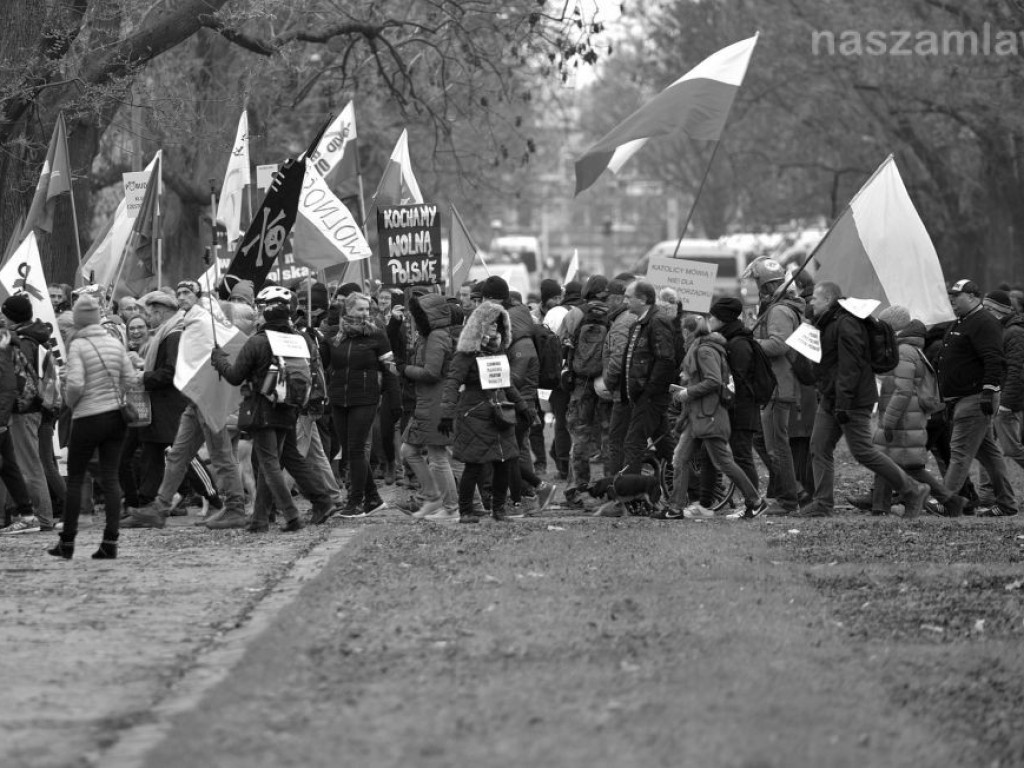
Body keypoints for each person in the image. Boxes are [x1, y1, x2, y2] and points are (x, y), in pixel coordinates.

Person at [799, 282, 930, 518]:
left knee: (863, 451)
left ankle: (913, 490)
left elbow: (851, 366)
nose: (811, 302)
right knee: (819, 446)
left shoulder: (846, 323)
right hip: (832, 397)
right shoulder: (827, 323)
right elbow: (828, 365)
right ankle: (822, 503)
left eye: (815, 299)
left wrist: (844, 403)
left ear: (828, 299)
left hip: (852, 400)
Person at [47, 295, 138, 559]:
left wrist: (71, 402)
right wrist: (115, 395)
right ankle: (110, 542)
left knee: (76, 478)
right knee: (110, 477)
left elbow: (75, 383)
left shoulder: (78, 344)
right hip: (116, 417)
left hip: (88, 416)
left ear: (78, 320)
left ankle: (67, 542)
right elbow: (130, 378)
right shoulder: (114, 343)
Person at [209, 286, 307, 533]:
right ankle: (260, 520)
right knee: (268, 465)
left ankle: (292, 515)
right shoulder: (296, 340)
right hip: (288, 407)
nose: (257, 315)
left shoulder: (257, 341)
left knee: (269, 465)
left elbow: (234, 376)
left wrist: (219, 360)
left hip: (262, 409)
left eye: (260, 310)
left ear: (266, 314)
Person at [665, 314, 767, 519]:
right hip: (699, 416)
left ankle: (756, 501)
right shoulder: (704, 348)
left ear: (687, 332)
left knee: (724, 462)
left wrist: (687, 392)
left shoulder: (704, 350)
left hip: (708, 416)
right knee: (680, 459)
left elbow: (713, 381)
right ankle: (675, 508)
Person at [869, 307, 964, 517]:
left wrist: (889, 421)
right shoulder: (908, 348)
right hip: (906, 415)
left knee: (899, 463)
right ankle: (880, 506)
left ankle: (948, 500)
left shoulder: (903, 351)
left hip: (903, 417)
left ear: (892, 326)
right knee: (892, 461)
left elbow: (903, 391)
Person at [439, 300, 527, 523]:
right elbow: (452, 382)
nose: (495, 326)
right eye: (490, 323)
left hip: (500, 413)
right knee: (474, 465)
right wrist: (447, 412)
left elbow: (506, 383)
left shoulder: (498, 351)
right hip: (475, 414)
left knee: (504, 462)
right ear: (479, 325)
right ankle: (466, 511)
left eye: (498, 323)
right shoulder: (466, 354)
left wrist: (522, 406)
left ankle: (499, 509)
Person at [935, 280, 1017, 516]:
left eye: (957, 296)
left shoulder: (984, 322)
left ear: (972, 296)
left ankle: (948, 502)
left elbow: (993, 358)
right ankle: (1007, 504)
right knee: (989, 454)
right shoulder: (963, 321)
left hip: (974, 397)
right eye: (951, 296)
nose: (952, 300)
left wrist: (989, 390)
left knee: (959, 451)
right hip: (961, 398)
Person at [746, 257, 805, 515]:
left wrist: (749, 343)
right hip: (775, 385)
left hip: (779, 385)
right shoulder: (777, 307)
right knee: (764, 440)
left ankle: (788, 499)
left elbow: (779, 345)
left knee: (776, 446)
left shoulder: (779, 310)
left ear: (766, 286)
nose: (752, 288)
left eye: (756, 283)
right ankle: (793, 490)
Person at [328, 291, 392, 517]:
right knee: (349, 450)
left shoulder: (376, 334)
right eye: (360, 309)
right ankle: (373, 498)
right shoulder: (336, 335)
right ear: (348, 310)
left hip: (365, 398)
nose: (365, 313)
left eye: (367, 309)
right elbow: (326, 363)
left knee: (356, 448)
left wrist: (392, 398)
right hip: (339, 398)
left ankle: (355, 502)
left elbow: (390, 368)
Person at [399, 293, 460, 520]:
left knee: (438, 457)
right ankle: (433, 497)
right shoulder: (431, 335)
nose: (415, 320)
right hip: (428, 402)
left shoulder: (436, 335)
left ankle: (451, 509)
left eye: (418, 316)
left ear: (429, 316)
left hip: (436, 403)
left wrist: (404, 370)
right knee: (408, 451)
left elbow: (432, 372)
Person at [0, 295, 56, 534]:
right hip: (34, 407)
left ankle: (41, 518)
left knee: (29, 465)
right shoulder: (37, 336)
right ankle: (26, 515)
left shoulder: (21, 341)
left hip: (21, 410)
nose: (1, 316)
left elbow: (12, 380)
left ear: (11, 316)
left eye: (4, 312)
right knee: (15, 465)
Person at [561, 275, 612, 504]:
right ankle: (610, 488)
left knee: (579, 436)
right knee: (608, 435)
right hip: (606, 382)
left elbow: (561, 341)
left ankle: (576, 489)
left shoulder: (575, 314)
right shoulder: (614, 314)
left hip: (580, 383)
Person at [620, 280, 677, 475]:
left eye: (628, 297)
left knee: (633, 442)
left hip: (651, 396)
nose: (624, 301)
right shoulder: (639, 323)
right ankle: (689, 486)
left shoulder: (657, 321)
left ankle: (632, 491)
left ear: (643, 299)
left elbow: (666, 359)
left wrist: (649, 391)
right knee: (666, 446)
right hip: (644, 394)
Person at [708, 297, 760, 494]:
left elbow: (738, 380)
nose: (710, 320)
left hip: (741, 409)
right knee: (739, 456)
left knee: (742, 457)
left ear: (722, 319)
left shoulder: (738, 343)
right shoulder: (731, 339)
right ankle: (751, 500)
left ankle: (753, 500)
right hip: (736, 407)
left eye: (713, 316)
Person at [981, 290, 1024, 478]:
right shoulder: (998, 329)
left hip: (1006, 401)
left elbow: (1016, 370)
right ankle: (987, 492)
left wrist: (1006, 403)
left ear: (997, 310)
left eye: (987, 308)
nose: (984, 312)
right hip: (994, 396)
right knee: (987, 448)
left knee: (1012, 449)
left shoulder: (1014, 332)